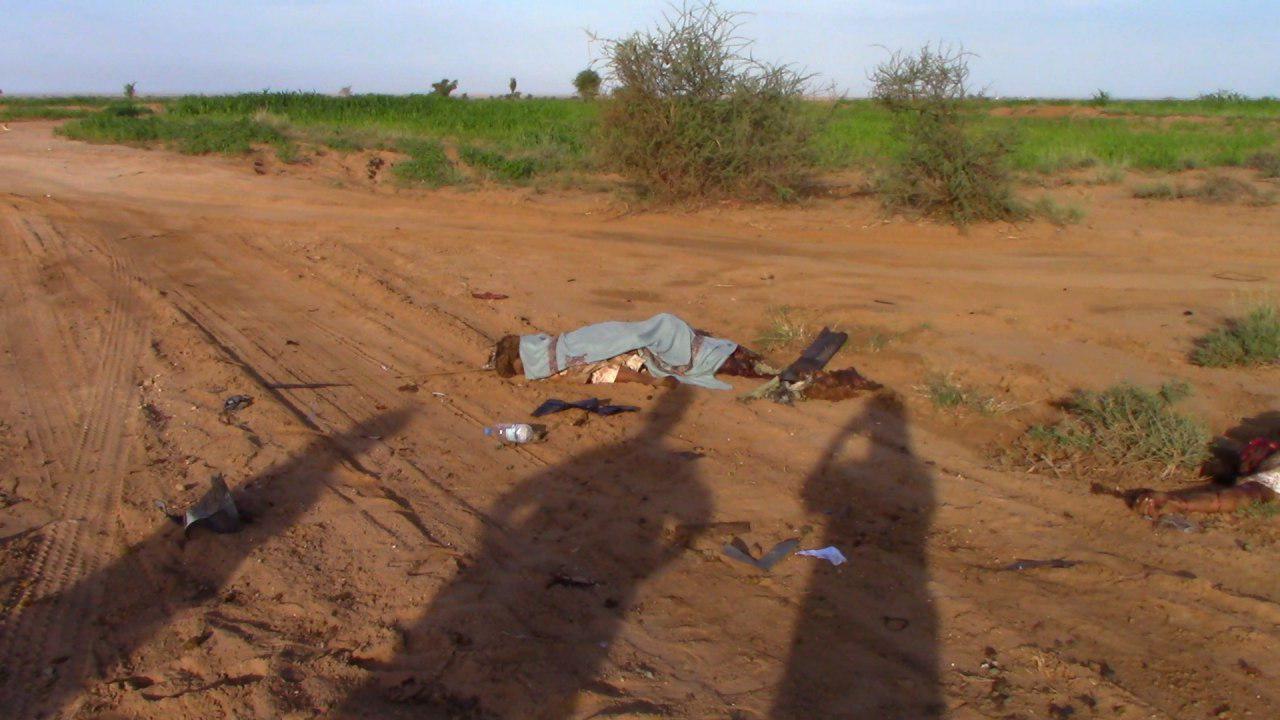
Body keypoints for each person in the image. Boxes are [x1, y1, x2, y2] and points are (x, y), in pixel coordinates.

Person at [490, 313, 773, 389]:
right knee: (675, 335)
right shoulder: (559, 343)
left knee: (690, 357)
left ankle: (761, 370)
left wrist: (650, 381)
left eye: (522, 367)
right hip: (640, 337)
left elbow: (610, 372)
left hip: (638, 345)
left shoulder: (562, 360)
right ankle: (757, 366)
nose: (527, 372)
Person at [1134, 438, 1280, 515]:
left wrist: (1180, 502)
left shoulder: (1270, 477)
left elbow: (1230, 498)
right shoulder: (1270, 478)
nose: (1250, 450)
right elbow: (1234, 497)